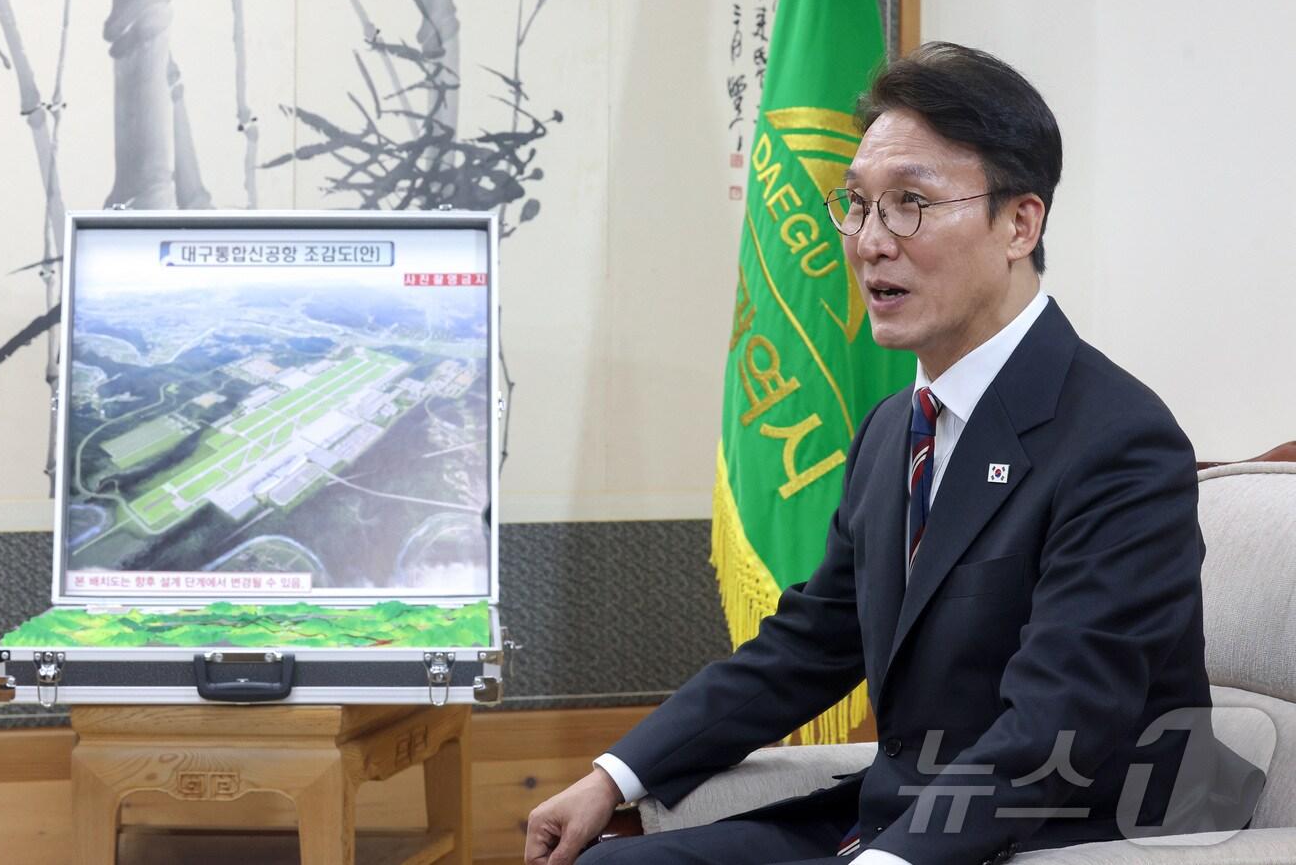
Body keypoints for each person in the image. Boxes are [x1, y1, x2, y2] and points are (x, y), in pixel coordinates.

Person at [524, 43, 1259, 865]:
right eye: (858, 206)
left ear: (1019, 223)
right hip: (895, 816)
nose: (871, 242)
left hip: (1059, 834)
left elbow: (1062, 726)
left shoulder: (1120, 442)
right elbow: (807, 646)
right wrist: (614, 776)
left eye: (910, 203)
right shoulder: (890, 429)